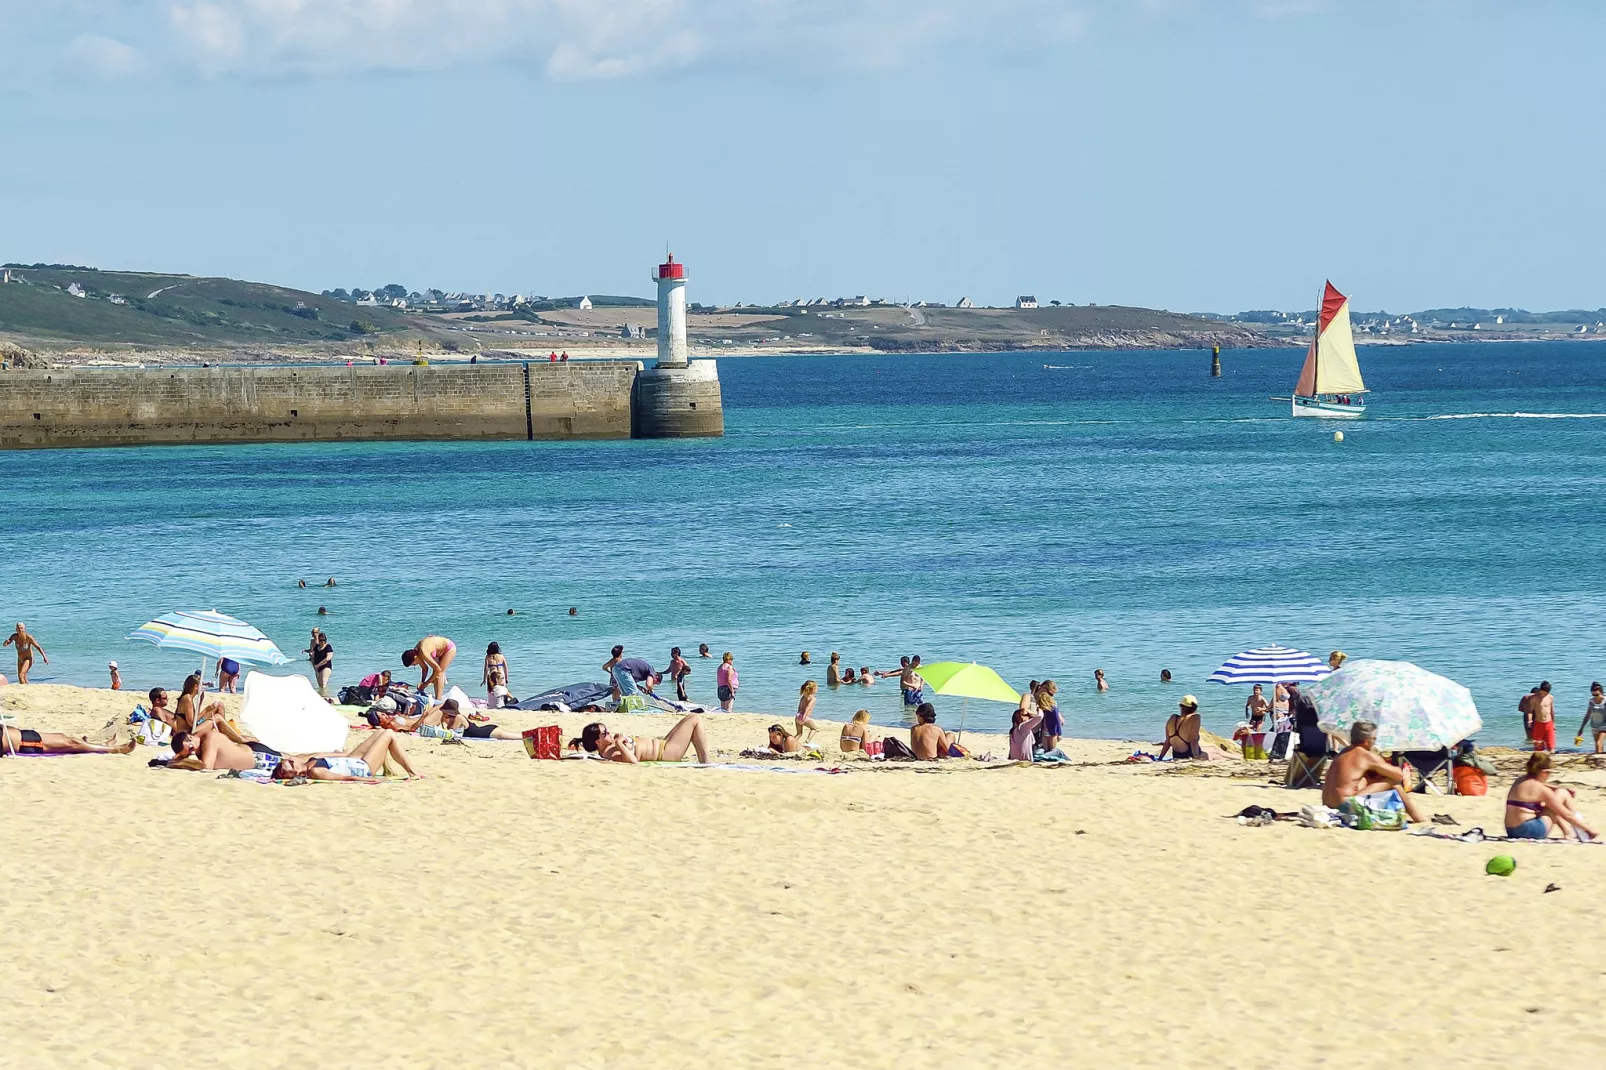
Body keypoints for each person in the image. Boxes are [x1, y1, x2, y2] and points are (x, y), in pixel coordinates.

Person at [1322, 721, 1427, 825]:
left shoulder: (1343, 752)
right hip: (1345, 806)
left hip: (1328, 805)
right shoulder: (1366, 756)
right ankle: (1419, 818)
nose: (1375, 742)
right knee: (1392, 782)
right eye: (1374, 739)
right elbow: (1398, 775)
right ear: (1366, 741)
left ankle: (1416, 817)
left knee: (1366, 778)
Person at [1505, 751, 1596, 840]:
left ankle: (1568, 831)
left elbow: (1537, 784)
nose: (1549, 775)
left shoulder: (1519, 781)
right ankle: (1581, 830)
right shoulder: (1543, 790)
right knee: (1561, 795)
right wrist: (1588, 829)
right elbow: (1566, 814)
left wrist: (1555, 787)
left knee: (1552, 801)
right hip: (1531, 831)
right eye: (1549, 772)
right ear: (1543, 772)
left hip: (1511, 831)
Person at [272, 729, 422, 782]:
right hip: (364, 768)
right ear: (295, 773)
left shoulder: (309, 762)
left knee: (380, 732)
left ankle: (388, 768)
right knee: (388, 734)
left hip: (352, 760)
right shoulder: (314, 771)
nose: (292, 760)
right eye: (290, 764)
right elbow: (345, 778)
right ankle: (413, 772)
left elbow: (335, 760)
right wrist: (370, 780)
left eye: (289, 760)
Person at [580, 714, 710, 764]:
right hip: (666, 753)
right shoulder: (609, 753)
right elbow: (633, 761)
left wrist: (619, 740)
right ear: (598, 741)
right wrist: (619, 743)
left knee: (690, 717)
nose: (609, 733)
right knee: (695, 719)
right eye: (605, 733)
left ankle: (703, 759)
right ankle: (705, 761)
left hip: (664, 744)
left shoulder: (610, 745)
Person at [170, 718, 281, 772]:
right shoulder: (197, 742)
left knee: (293, 759)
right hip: (251, 753)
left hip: (258, 757)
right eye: (189, 754)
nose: (193, 752)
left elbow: (206, 766)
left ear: (191, 737)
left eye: (191, 748)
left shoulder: (209, 738)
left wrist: (181, 762)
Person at [2, 726, 135, 757]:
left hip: (23, 735)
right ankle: (114, 749)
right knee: (71, 743)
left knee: (63, 736)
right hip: (25, 743)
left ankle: (102, 746)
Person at [1157, 695, 1206, 760]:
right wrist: (1196, 757)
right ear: (1195, 708)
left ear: (1181, 706)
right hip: (1189, 754)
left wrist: (1160, 758)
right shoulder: (1195, 717)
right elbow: (1193, 740)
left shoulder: (1173, 718)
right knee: (1214, 753)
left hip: (1176, 755)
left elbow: (1168, 742)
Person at [1574, 682, 1606, 753]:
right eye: (1593, 694)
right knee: (1598, 745)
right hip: (1594, 725)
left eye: (1596, 694)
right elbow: (1588, 715)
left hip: (1604, 726)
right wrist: (1581, 728)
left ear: (1601, 692)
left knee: (1598, 743)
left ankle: (1599, 759)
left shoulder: (1605, 701)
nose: (1595, 696)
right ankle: (1601, 759)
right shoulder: (1591, 701)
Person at [1036, 680, 1063, 753]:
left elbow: (1058, 721)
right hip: (1044, 731)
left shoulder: (1053, 709)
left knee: (1052, 750)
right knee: (1046, 750)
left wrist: (1059, 734)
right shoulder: (1042, 710)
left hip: (1053, 732)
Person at [306, 629, 334, 696]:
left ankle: (325, 697)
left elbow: (328, 658)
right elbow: (313, 656)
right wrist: (314, 666)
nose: (322, 642)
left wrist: (319, 664)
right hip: (317, 667)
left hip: (325, 667)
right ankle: (322, 696)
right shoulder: (316, 647)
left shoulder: (328, 646)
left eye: (324, 640)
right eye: (321, 640)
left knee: (323, 683)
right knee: (320, 685)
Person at [1530, 681, 1556, 752]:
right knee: (1538, 748)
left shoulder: (1550, 698)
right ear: (1540, 690)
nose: (1543, 694)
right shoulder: (1534, 698)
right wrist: (1530, 720)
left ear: (1548, 692)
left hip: (1549, 723)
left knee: (1551, 747)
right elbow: (1530, 711)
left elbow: (1552, 711)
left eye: (1545, 693)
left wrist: (1554, 724)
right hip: (1538, 723)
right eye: (1542, 692)